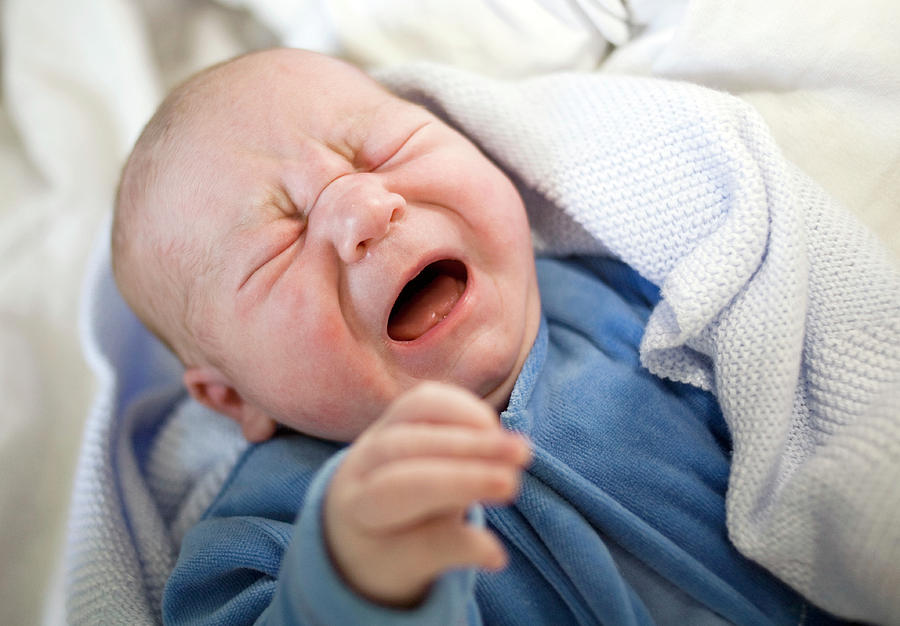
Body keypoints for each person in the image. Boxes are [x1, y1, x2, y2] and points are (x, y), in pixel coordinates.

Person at [112, 48, 844, 624]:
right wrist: (349, 590)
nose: (363, 207)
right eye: (276, 243)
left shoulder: (650, 293)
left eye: (381, 151)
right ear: (232, 396)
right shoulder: (274, 532)